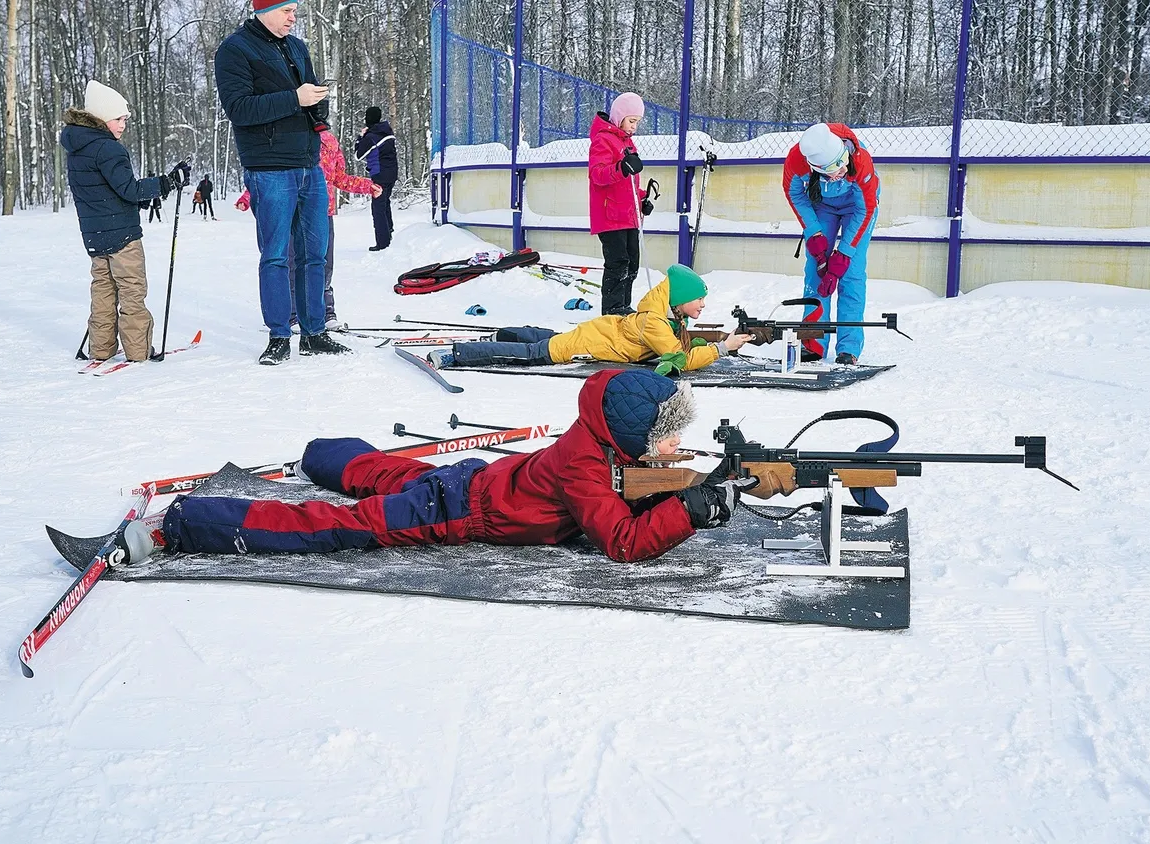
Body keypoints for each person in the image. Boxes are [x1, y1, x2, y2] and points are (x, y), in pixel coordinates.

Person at [117, 370, 759, 565]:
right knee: (333, 525)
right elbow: (619, 540)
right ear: (633, 436)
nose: (678, 448)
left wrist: (694, 490)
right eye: (669, 437)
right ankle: (185, 523)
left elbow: (630, 499)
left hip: (474, 479)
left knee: (389, 475)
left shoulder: (597, 445)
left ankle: (320, 454)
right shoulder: (586, 468)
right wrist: (688, 510)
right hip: (454, 508)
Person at [215, 0, 350, 365]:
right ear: (264, 9)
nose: (293, 18)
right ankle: (278, 336)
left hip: (309, 163)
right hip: (269, 167)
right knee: (276, 255)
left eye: (295, 11)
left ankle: (314, 333)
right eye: (287, 11)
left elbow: (311, 104)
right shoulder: (235, 49)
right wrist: (295, 98)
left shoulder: (296, 46)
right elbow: (239, 109)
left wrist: (318, 105)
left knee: (314, 254)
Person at [429, 264, 753, 374]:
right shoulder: (656, 322)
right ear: (680, 300)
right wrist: (722, 348)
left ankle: (505, 334)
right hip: (593, 341)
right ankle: (458, 353)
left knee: (550, 338)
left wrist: (712, 341)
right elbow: (679, 359)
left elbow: (676, 345)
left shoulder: (666, 315)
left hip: (599, 332)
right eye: (699, 298)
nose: (703, 304)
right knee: (535, 354)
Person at [61, 80, 174, 363]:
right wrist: (165, 182)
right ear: (101, 116)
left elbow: (106, 191)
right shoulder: (109, 148)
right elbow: (129, 190)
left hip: (95, 236)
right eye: (119, 118)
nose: (123, 124)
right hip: (123, 236)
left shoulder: (77, 148)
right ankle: (137, 352)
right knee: (132, 292)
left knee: (103, 293)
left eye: (125, 119)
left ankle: (101, 349)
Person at [235, 129, 382, 329]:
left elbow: (339, 177)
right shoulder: (291, 136)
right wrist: (248, 196)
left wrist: (367, 186)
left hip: (323, 212)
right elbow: (272, 175)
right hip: (292, 212)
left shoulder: (330, 140)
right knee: (293, 263)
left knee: (323, 264)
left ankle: (326, 312)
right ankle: (293, 314)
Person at [782, 122, 880, 364]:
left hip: (858, 209)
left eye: (842, 163)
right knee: (817, 272)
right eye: (833, 169)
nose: (841, 171)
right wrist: (814, 234)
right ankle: (813, 342)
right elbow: (794, 193)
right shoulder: (796, 160)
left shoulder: (859, 159)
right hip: (822, 204)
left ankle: (848, 348)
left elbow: (865, 209)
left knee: (851, 273)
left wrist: (843, 254)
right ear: (815, 168)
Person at [589, 92, 652, 316]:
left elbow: (629, 183)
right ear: (619, 117)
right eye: (631, 121)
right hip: (609, 215)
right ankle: (613, 311)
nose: (634, 127)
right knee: (618, 262)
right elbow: (598, 175)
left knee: (632, 262)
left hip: (628, 214)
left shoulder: (627, 142)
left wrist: (642, 198)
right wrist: (622, 167)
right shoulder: (603, 140)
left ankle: (624, 306)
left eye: (637, 122)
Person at [355, 106, 398, 251]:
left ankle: (382, 243)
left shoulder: (370, 137)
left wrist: (361, 138)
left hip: (379, 175)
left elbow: (358, 155)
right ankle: (389, 234)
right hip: (392, 173)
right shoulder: (388, 132)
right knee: (385, 204)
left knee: (378, 209)